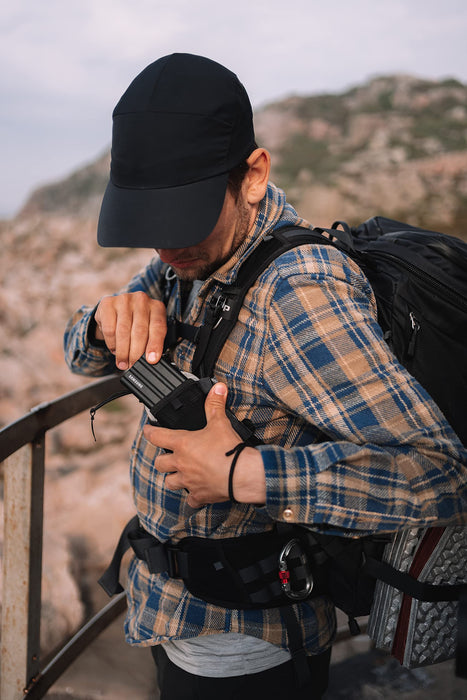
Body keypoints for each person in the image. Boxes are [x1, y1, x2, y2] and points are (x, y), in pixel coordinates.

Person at [64, 53, 467, 700]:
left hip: (245, 647)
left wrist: (238, 474)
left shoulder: (297, 293)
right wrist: (104, 321)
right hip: (174, 616)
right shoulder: (186, 263)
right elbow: (80, 357)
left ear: (252, 177)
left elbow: (439, 475)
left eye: (181, 218)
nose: (164, 248)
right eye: (150, 225)